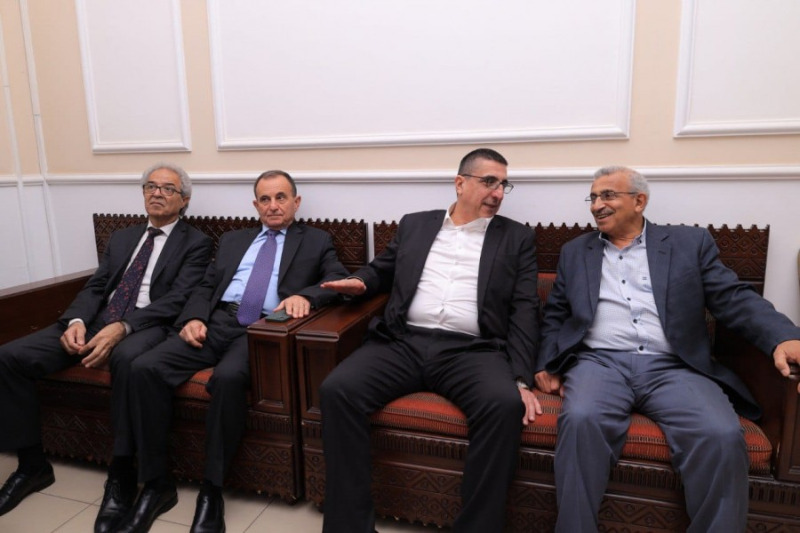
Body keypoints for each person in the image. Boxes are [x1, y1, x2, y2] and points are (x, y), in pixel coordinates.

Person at [535, 165, 800, 532]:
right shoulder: (575, 251)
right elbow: (556, 314)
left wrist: (783, 336)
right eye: (592, 197)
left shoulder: (689, 244)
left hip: (674, 367)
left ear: (639, 201)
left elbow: (733, 298)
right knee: (581, 420)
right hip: (599, 363)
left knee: (720, 435)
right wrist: (545, 363)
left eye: (607, 195)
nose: (596, 205)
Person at [318, 148, 542, 533]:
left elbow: (525, 309)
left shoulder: (516, 237)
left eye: (504, 185)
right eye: (489, 182)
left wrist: (521, 379)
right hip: (402, 343)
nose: (498, 193)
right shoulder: (416, 224)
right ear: (460, 183)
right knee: (337, 391)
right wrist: (360, 282)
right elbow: (381, 270)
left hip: (471, 351)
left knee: (503, 405)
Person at [116, 170, 349, 533]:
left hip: (261, 328)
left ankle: (212, 490)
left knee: (227, 378)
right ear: (256, 205)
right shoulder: (233, 239)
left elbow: (336, 279)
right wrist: (193, 317)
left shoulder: (316, 241)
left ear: (296, 202)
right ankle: (157, 483)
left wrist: (305, 296)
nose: (273, 206)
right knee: (144, 368)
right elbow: (206, 285)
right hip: (215, 322)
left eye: (281, 197)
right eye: (265, 199)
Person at [0, 163, 213, 527]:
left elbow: (178, 299)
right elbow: (97, 286)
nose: (157, 193)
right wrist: (77, 321)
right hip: (97, 319)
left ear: (185, 200)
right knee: (10, 356)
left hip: (147, 324)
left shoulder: (196, 242)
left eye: (168, 189)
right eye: (150, 186)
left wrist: (123, 327)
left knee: (128, 360)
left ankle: (122, 474)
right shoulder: (122, 237)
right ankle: (32, 465)